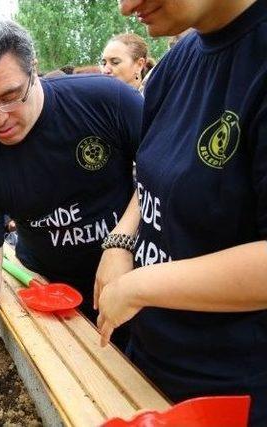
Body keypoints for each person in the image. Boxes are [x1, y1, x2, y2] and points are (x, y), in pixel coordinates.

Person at [96, 0, 267, 423]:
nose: (126, 7)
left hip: (227, 390)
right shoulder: (179, 61)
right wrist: (120, 241)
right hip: (149, 360)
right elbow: (155, 175)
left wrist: (140, 285)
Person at [0, 20, 143, 365]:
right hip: (51, 293)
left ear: (33, 72)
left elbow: (160, 175)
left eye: (9, 97)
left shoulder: (106, 100)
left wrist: (121, 241)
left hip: (135, 277)